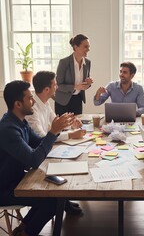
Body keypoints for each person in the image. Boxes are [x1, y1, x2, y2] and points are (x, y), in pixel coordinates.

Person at [0, 80, 73, 236]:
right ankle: (26, 232)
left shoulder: (20, 122)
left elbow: (39, 142)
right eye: (29, 98)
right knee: (54, 201)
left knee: (54, 197)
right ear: (18, 104)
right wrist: (53, 132)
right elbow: (33, 160)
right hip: (5, 189)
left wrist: (56, 130)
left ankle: (23, 230)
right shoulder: (8, 129)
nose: (33, 101)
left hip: (18, 180)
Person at [26, 71, 86, 215]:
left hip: (48, 148)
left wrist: (71, 123)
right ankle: (62, 201)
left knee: (77, 158)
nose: (57, 87)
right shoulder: (32, 110)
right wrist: (70, 134)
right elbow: (42, 137)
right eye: (55, 85)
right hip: (39, 154)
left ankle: (64, 200)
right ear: (47, 89)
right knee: (68, 163)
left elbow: (56, 124)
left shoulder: (45, 103)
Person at [55, 34, 93, 115]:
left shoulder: (88, 63)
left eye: (89, 47)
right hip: (63, 101)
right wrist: (75, 87)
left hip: (78, 100)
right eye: (85, 46)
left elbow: (84, 86)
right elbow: (58, 85)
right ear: (76, 47)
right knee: (63, 127)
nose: (88, 49)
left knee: (77, 126)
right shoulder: (64, 62)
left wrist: (88, 84)